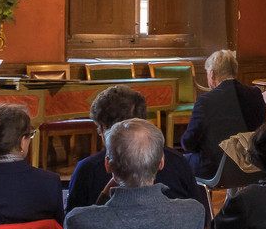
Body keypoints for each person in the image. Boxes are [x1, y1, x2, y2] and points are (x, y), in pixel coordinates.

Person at [64, 119, 207, 229]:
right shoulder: (192, 213)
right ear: (161, 163)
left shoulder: (78, 221)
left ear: (107, 165)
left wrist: (104, 194)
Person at [66, 85, 201, 215]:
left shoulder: (88, 170)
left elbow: (71, 226)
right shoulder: (178, 161)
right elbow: (199, 216)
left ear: (104, 128)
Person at [182, 49, 266, 181]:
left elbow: (188, 143)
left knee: (182, 162)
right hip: (249, 164)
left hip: (214, 168)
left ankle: (198, 201)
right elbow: (260, 128)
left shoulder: (205, 101)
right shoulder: (255, 94)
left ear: (212, 74)